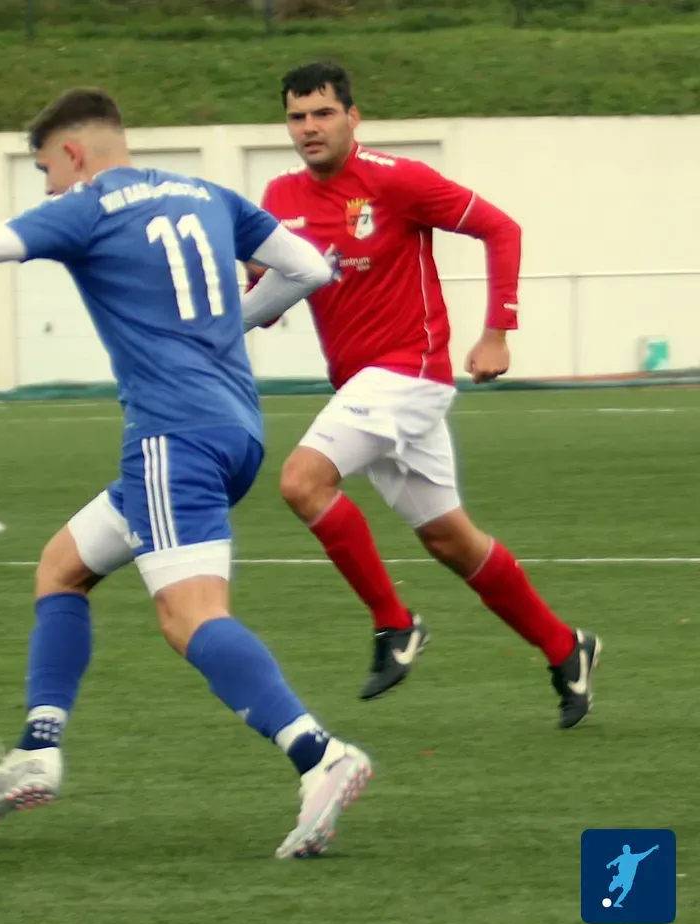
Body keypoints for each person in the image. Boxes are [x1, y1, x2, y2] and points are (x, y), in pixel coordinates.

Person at [0, 87, 375, 859]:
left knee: (190, 618)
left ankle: (320, 754)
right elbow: (310, 266)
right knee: (61, 567)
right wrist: (225, 329)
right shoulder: (205, 193)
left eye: (47, 170)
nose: (49, 187)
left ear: (75, 154)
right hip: (235, 429)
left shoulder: (91, 206)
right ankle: (37, 751)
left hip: (172, 439)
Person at [244, 60, 600, 726]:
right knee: (451, 541)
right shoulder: (279, 197)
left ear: (353, 117)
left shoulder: (397, 181)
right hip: (365, 387)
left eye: (323, 113)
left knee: (301, 482)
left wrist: (499, 331)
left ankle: (394, 623)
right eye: (297, 117)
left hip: (410, 371)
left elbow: (502, 228)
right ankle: (566, 647)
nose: (309, 128)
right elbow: (269, 296)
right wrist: (239, 307)